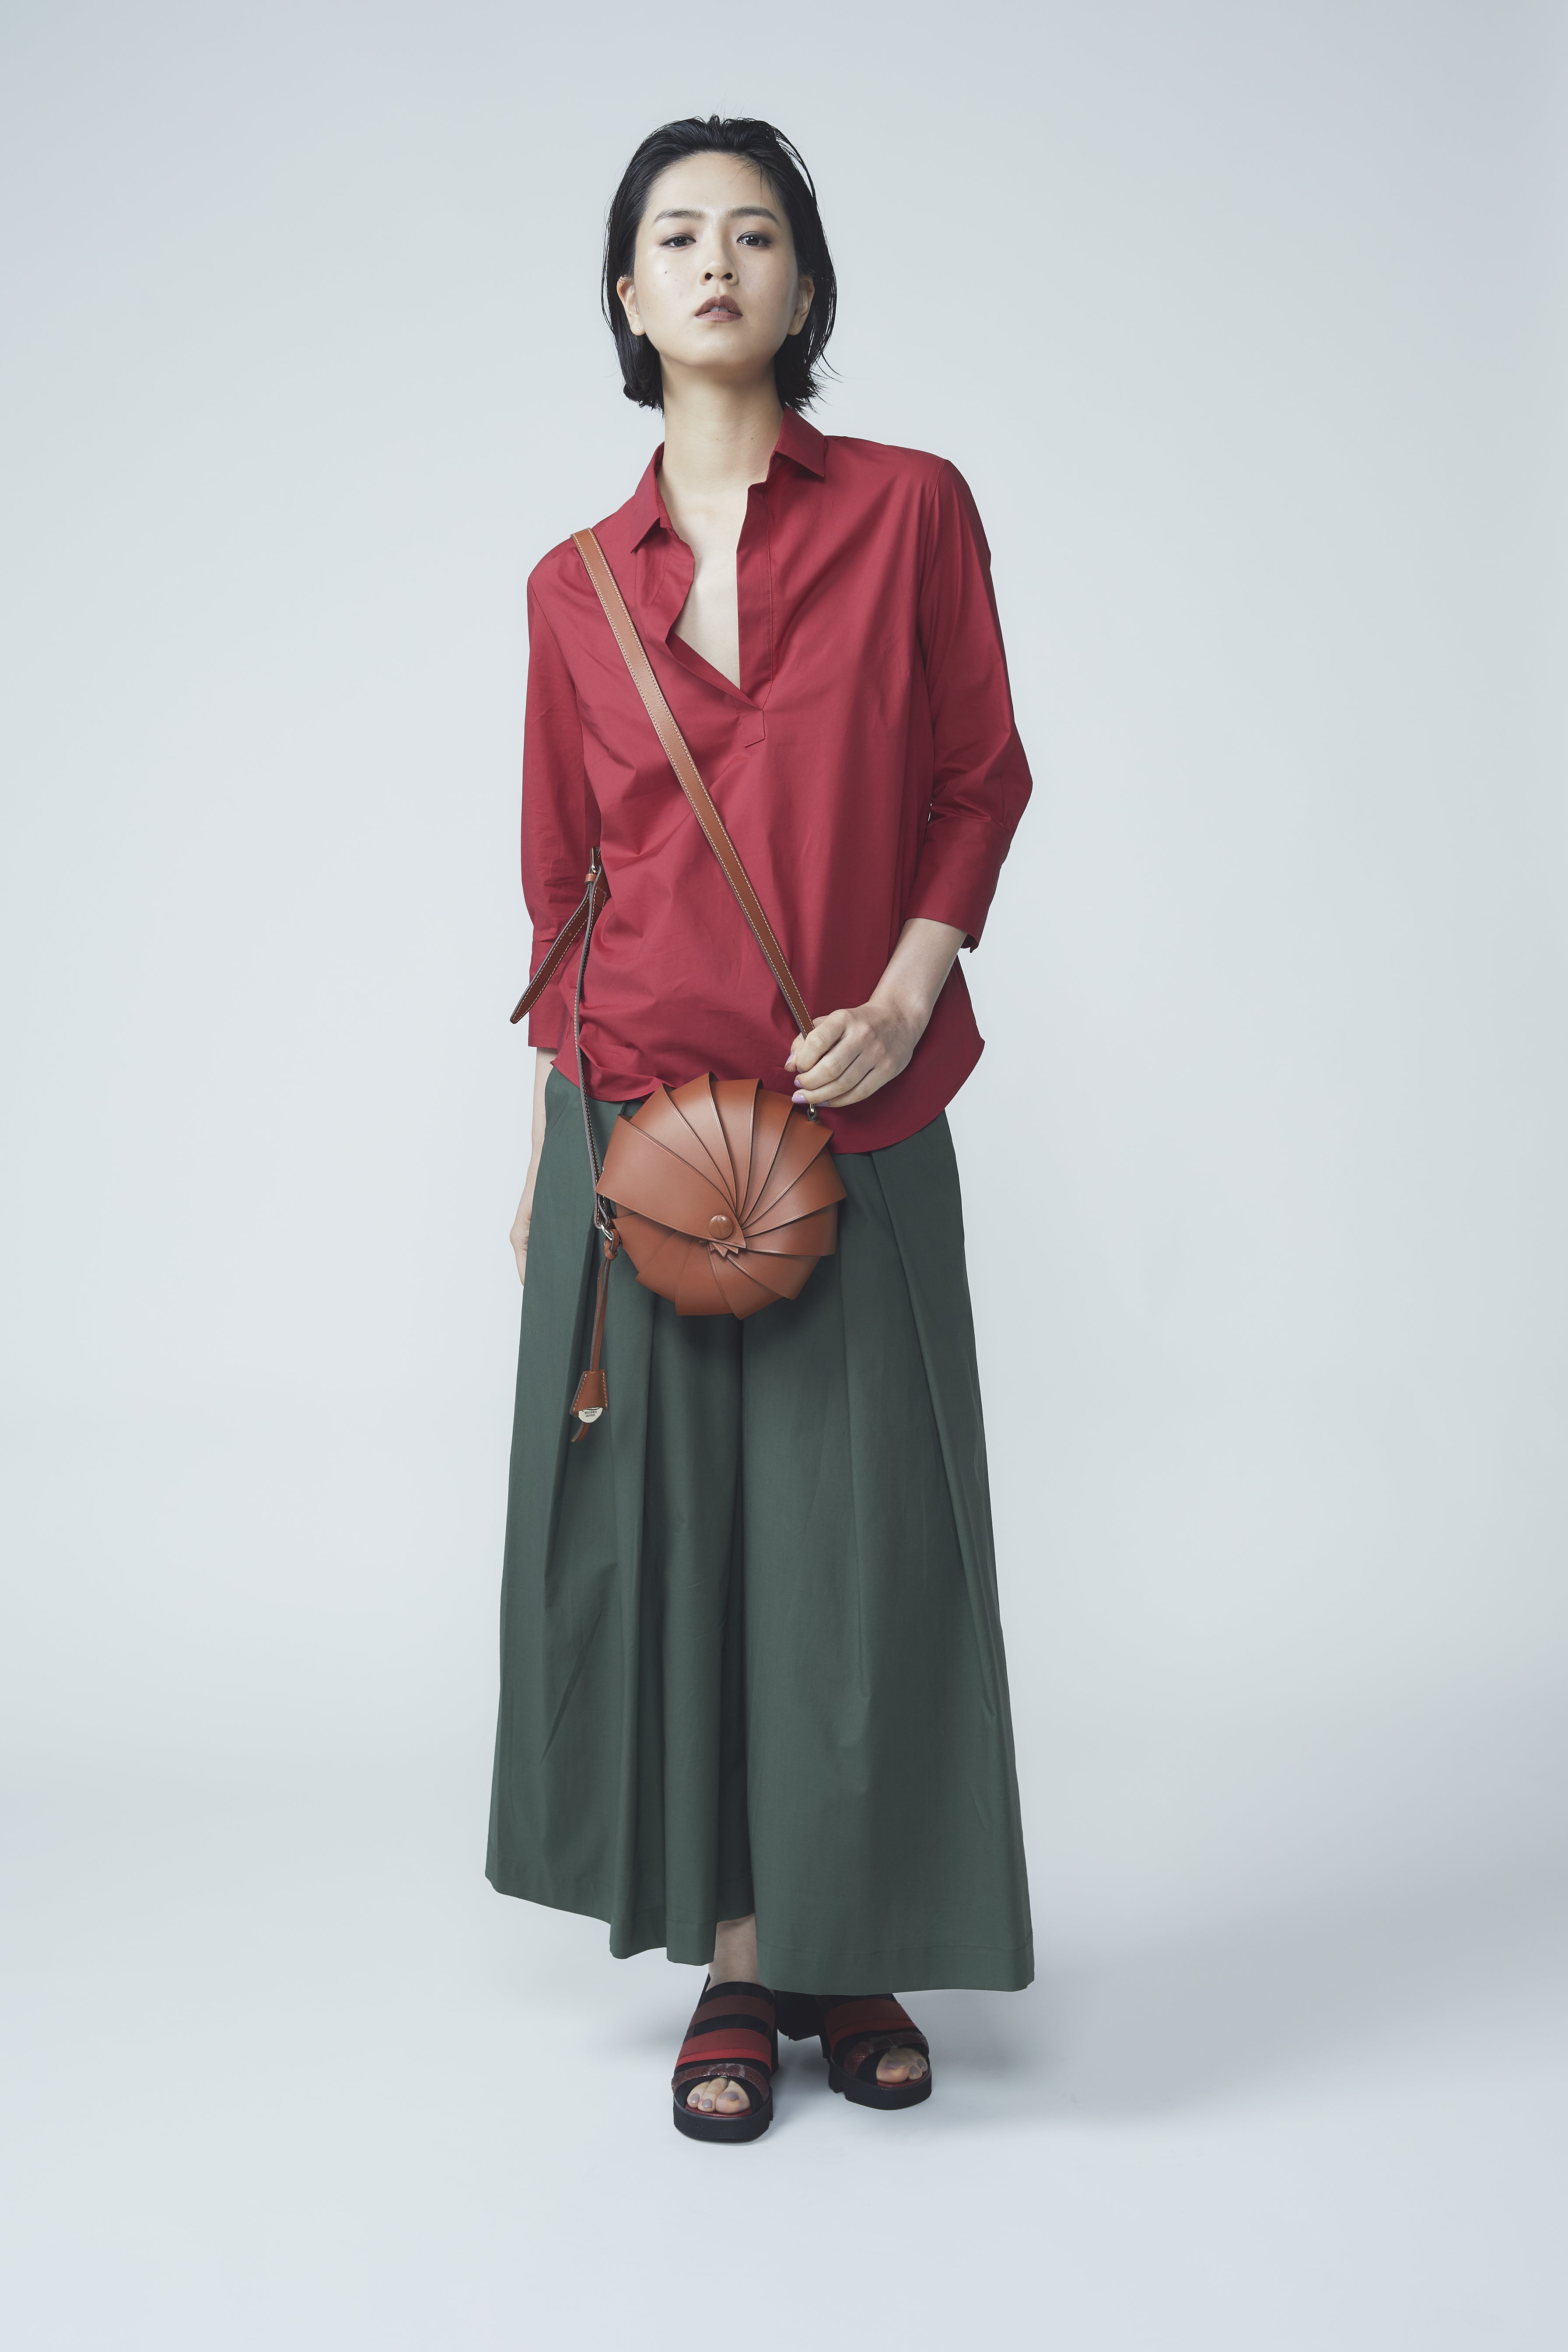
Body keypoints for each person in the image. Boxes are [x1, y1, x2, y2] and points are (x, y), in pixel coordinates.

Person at [487, 114, 1034, 2142]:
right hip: (640, 1141)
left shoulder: (908, 512)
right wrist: (548, 1155)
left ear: (803, 284)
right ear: (626, 299)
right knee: (690, 1557)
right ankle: (735, 1958)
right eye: (673, 236)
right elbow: (561, 896)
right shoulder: (568, 592)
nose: (714, 261)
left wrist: (901, 989)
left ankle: (850, 1937)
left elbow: (977, 779)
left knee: (863, 1550)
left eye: (755, 232)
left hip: (855, 1124)